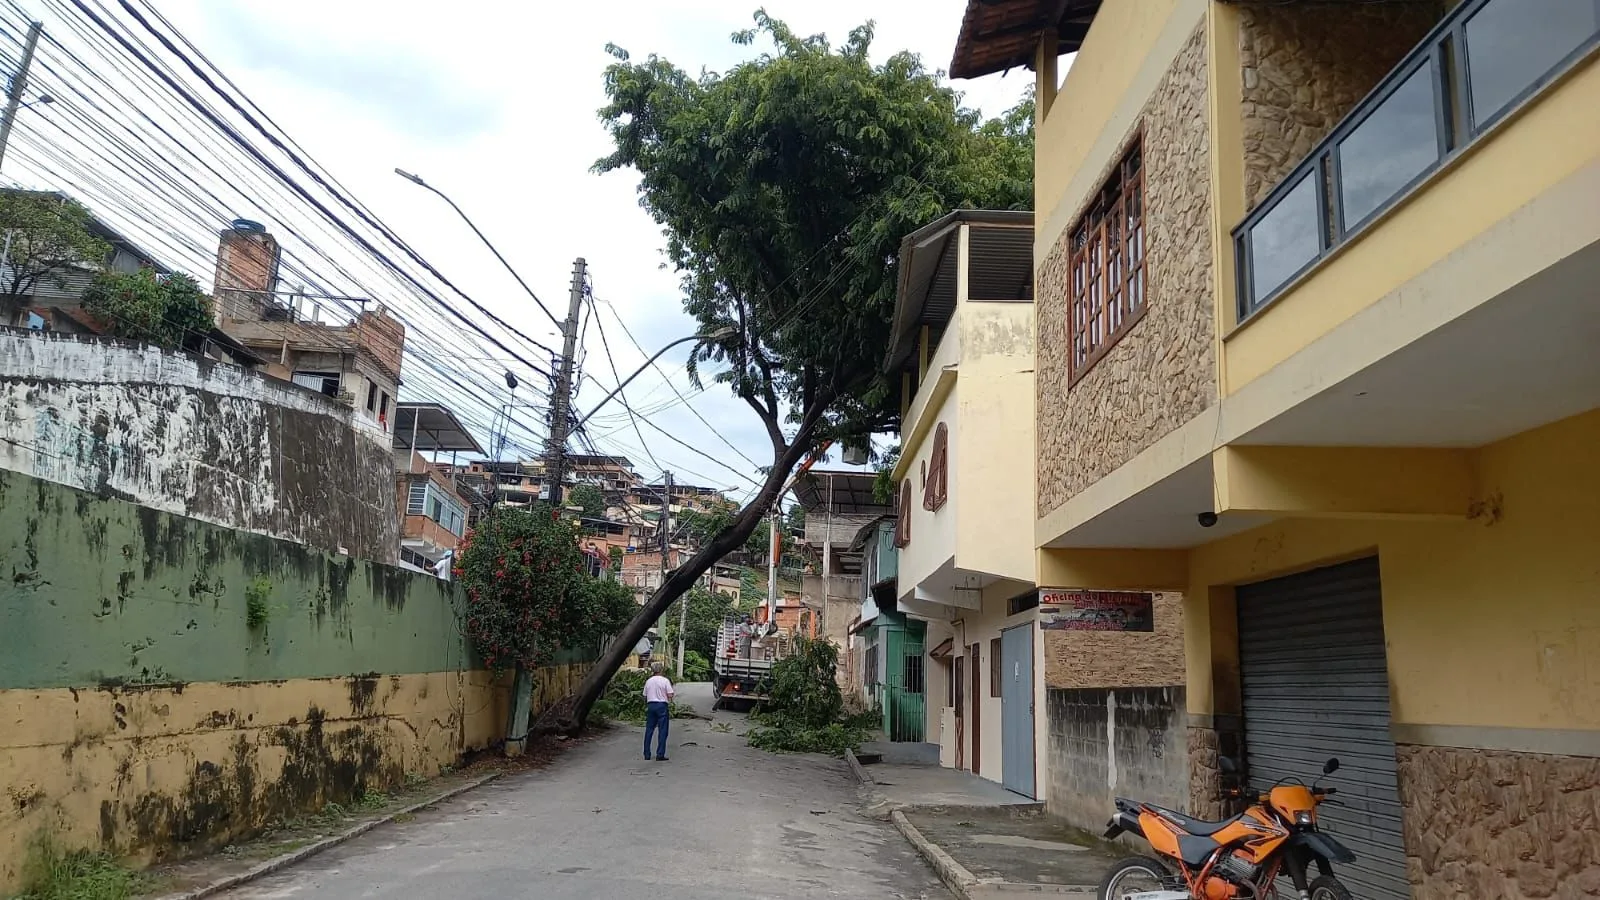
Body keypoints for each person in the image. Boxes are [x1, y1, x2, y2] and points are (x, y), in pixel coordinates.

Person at [642, 662, 675, 761]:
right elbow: (670, 694)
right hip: (662, 705)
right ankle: (660, 754)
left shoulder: (648, 681)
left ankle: (647, 754)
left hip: (651, 705)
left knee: (649, 729)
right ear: (661, 670)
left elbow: (644, 695)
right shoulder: (665, 681)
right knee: (663, 730)